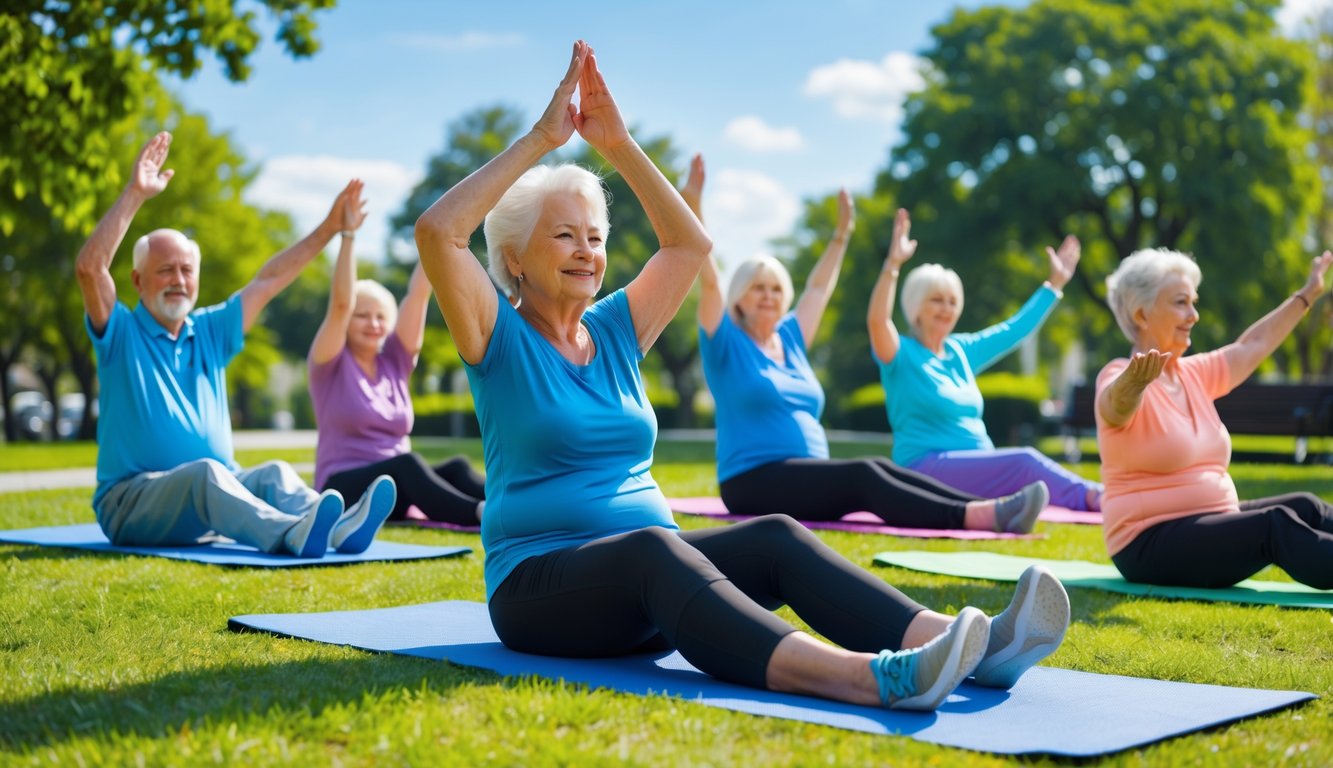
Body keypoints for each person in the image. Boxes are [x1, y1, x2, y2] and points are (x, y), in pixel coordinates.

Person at [414, 41, 1069, 710]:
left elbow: (689, 245)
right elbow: (439, 231)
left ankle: (980, 646)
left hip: (648, 588)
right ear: (515, 259)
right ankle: (869, 677)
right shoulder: (495, 333)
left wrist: (616, 144)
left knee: (775, 536)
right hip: (541, 590)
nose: (586, 250)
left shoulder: (613, 329)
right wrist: (542, 140)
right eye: (563, 236)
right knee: (654, 549)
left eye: (595, 236)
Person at [74, 132, 396, 558]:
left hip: (214, 491)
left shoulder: (209, 331)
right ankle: (291, 532)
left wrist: (331, 229)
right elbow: (90, 268)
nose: (179, 280)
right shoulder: (120, 333)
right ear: (137, 280)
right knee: (206, 473)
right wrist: (136, 193)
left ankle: (337, 526)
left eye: (187, 270)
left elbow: (269, 280)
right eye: (166, 270)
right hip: (131, 502)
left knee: (273, 474)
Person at [687, 155, 1049, 534]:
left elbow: (818, 288)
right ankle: (976, 517)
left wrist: (841, 235)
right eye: (758, 288)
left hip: (807, 474)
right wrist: (694, 205)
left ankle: (983, 507)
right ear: (739, 297)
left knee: (882, 468)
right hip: (752, 480)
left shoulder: (790, 338)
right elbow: (709, 280)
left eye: (776, 288)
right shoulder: (724, 341)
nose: (768, 296)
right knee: (864, 475)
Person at [1095, 248, 1333, 589]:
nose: (1193, 315)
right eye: (1180, 302)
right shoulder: (1118, 375)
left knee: (1305, 505)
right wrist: (1133, 384)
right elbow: (1114, 407)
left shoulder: (1193, 374)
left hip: (1213, 517)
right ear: (1141, 313)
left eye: (1194, 302)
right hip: (1147, 542)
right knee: (1275, 526)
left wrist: (1307, 294)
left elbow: (1254, 344)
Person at [867, 209, 1103, 511]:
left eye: (953, 301)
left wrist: (1053, 285)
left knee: (1027, 472)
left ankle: (1015, 508)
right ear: (915, 306)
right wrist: (893, 265)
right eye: (936, 300)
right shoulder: (900, 353)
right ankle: (1094, 498)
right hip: (923, 468)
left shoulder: (961, 350)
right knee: (1025, 461)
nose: (946, 309)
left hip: (977, 466)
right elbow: (877, 321)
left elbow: (1014, 330)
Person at [307, 181, 485, 527]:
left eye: (380, 317)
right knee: (407, 465)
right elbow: (340, 304)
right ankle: (482, 515)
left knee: (458, 468)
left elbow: (418, 294)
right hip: (344, 489)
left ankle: (519, 503)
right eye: (362, 315)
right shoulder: (329, 364)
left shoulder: (395, 361)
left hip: (398, 488)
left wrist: (444, 230)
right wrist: (347, 237)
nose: (373, 323)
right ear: (347, 321)